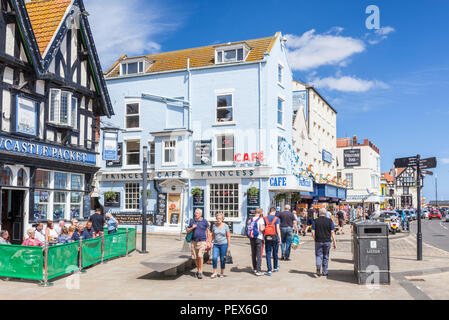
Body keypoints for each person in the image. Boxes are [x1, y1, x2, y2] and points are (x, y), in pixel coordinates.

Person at [312, 208, 337, 277]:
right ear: (325, 213)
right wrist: (334, 242)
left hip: (318, 241)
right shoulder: (329, 221)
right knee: (326, 256)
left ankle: (318, 267)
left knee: (318, 255)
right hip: (327, 241)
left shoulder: (315, 221)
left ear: (319, 213)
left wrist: (315, 239)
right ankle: (325, 272)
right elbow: (332, 232)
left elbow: (312, 232)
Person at [186, 208, 210, 279]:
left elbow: (208, 231)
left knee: (200, 255)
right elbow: (187, 230)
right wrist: (192, 228)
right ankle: (199, 269)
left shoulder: (204, 221)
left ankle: (200, 271)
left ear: (200, 214)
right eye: (195, 213)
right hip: (193, 242)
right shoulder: (192, 221)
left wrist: (208, 241)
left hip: (202, 241)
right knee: (195, 257)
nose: (195, 214)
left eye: (197, 213)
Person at [210, 213, 231, 279]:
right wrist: (211, 241)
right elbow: (212, 235)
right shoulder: (214, 226)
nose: (218, 220)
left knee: (222, 259)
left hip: (224, 245)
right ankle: (214, 273)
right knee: (214, 258)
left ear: (222, 219)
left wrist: (229, 246)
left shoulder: (225, 226)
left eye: (220, 218)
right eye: (217, 218)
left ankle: (222, 273)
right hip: (216, 245)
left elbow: (228, 236)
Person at [264, 207, 282, 276]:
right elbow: (277, 229)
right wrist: (280, 238)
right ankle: (275, 267)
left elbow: (263, 228)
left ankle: (269, 270)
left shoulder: (265, 218)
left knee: (268, 253)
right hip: (275, 237)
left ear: (269, 211)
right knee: (275, 252)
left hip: (267, 237)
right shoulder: (277, 219)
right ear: (274, 212)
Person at [247, 208, 265, 276]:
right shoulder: (261, 219)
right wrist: (264, 227)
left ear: (255, 212)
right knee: (259, 254)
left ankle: (254, 268)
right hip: (258, 237)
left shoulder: (250, 219)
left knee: (253, 254)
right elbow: (261, 229)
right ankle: (258, 270)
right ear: (260, 213)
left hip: (251, 237)